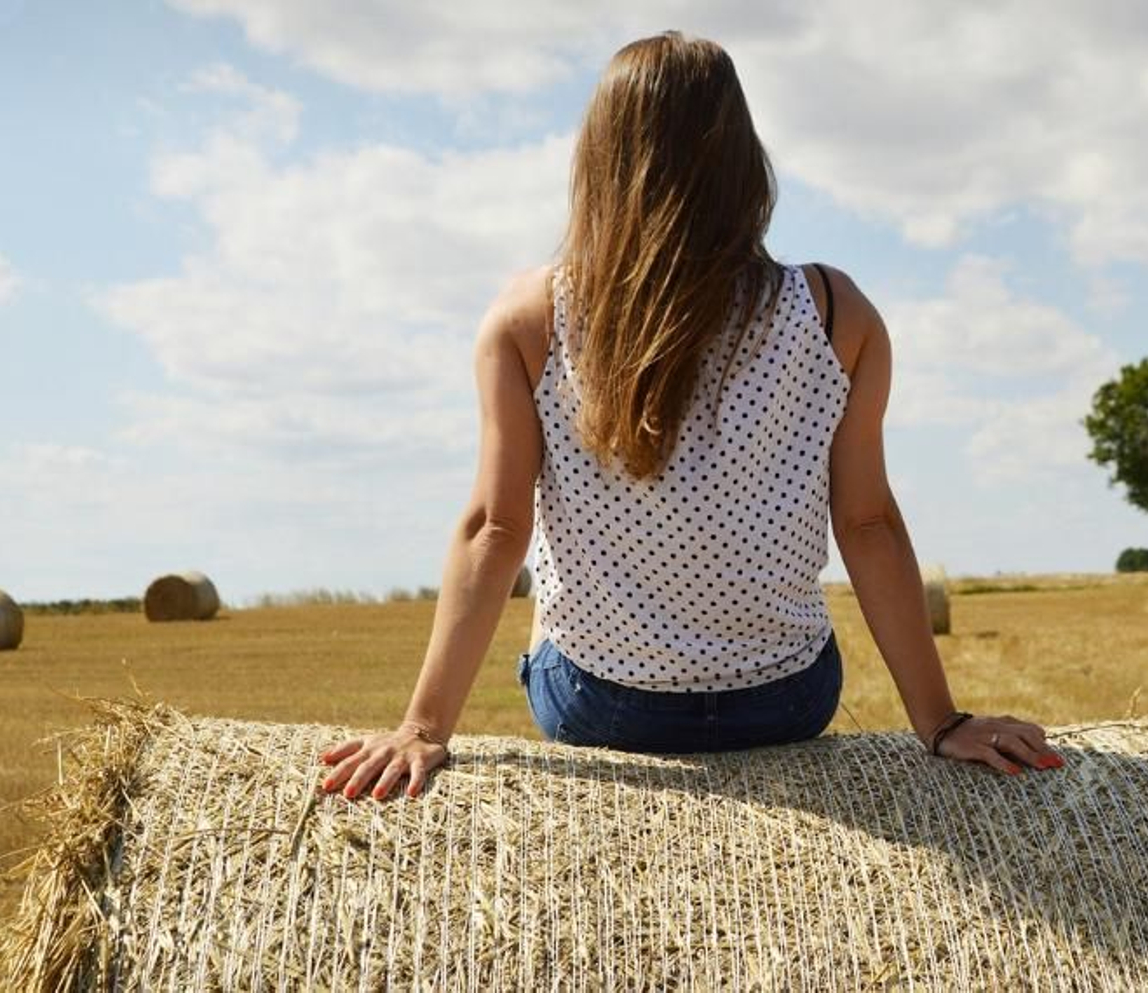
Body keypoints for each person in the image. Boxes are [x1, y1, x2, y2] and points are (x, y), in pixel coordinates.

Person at [319, 30, 1063, 801]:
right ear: (745, 163)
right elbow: (868, 523)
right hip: (785, 699)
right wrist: (940, 720)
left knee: (549, 610)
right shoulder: (839, 313)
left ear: (600, 163)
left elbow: (496, 528)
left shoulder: (529, 317)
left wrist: (423, 727)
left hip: (601, 703)